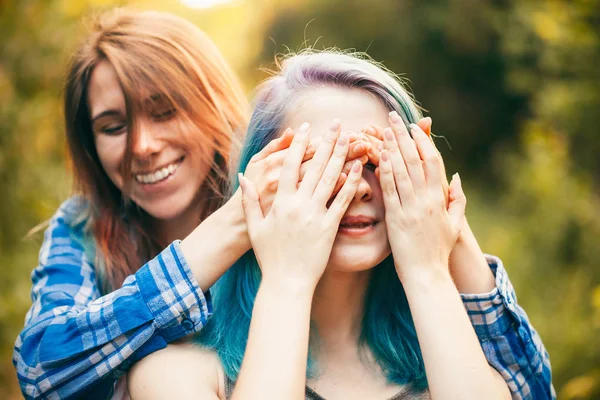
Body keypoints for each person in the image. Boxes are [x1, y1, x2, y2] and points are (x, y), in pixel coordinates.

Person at [128, 51, 555, 399]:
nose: (359, 189)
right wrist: (288, 278)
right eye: (323, 163)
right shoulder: (176, 375)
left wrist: (428, 269)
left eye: (377, 162)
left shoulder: (462, 369)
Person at [11, 10, 371, 400]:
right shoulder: (82, 227)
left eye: (165, 112)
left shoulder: (285, 201)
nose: (142, 146)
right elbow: (40, 373)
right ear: (90, 145)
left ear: (212, 103)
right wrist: (229, 229)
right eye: (113, 127)